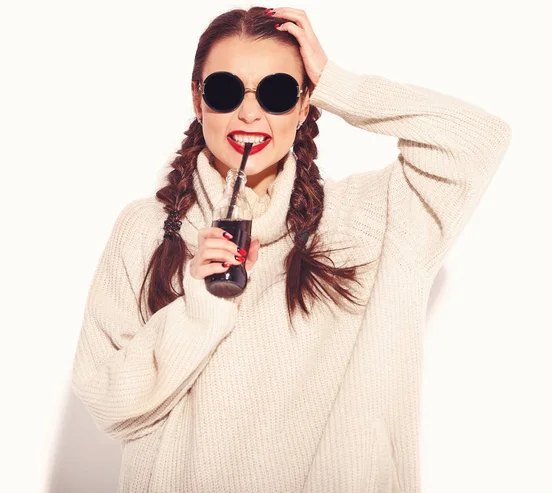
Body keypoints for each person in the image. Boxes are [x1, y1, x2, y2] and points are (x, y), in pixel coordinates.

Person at [70, 6, 511, 493]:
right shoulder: (147, 229)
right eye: (225, 90)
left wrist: (340, 84)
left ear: (305, 105)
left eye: (278, 93)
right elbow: (105, 398)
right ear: (197, 99)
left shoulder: (371, 219)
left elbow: (478, 141)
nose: (250, 113)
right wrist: (197, 307)